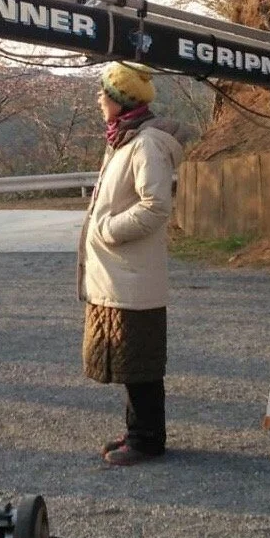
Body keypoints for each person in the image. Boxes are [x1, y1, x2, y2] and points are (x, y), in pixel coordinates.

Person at [78, 61, 184, 466]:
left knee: (139, 356)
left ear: (121, 101)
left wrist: (107, 229)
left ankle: (147, 439)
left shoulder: (145, 144)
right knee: (129, 354)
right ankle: (136, 432)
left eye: (104, 93)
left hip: (131, 272)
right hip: (121, 273)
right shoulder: (125, 139)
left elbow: (156, 206)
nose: (98, 99)